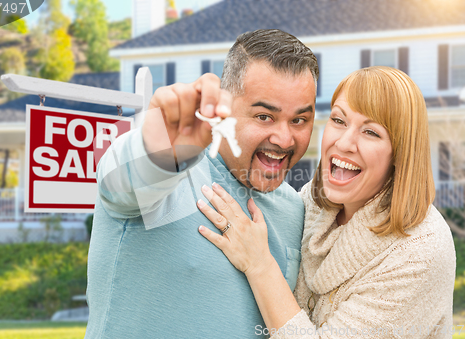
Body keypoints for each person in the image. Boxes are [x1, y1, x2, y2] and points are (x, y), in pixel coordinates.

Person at [85, 29, 319, 338]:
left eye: (299, 120)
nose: (284, 139)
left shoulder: (295, 209)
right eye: (264, 117)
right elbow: (121, 182)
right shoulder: (171, 173)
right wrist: (158, 151)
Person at [197, 66, 456, 338]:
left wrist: (259, 265)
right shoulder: (312, 203)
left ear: (400, 155)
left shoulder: (420, 251)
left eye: (371, 132)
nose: (344, 143)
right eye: (339, 120)